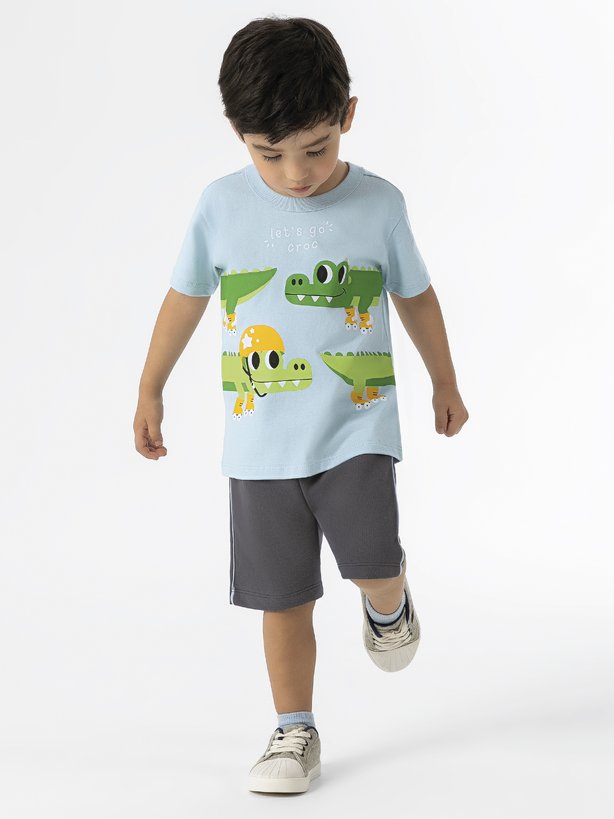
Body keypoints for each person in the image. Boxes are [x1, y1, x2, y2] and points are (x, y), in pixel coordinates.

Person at [133, 15, 469, 795]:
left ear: (347, 114)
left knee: (372, 561)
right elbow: (185, 297)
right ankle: (295, 729)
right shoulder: (220, 206)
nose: (296, 174)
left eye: (316, 148)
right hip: (259, 447)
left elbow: (416, 296)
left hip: (356, 425)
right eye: (269, 152)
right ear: (237, 133)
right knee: (282, 598)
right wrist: (150, 386)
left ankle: (389, 601)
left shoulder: (379, 204)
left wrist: (444, 381)